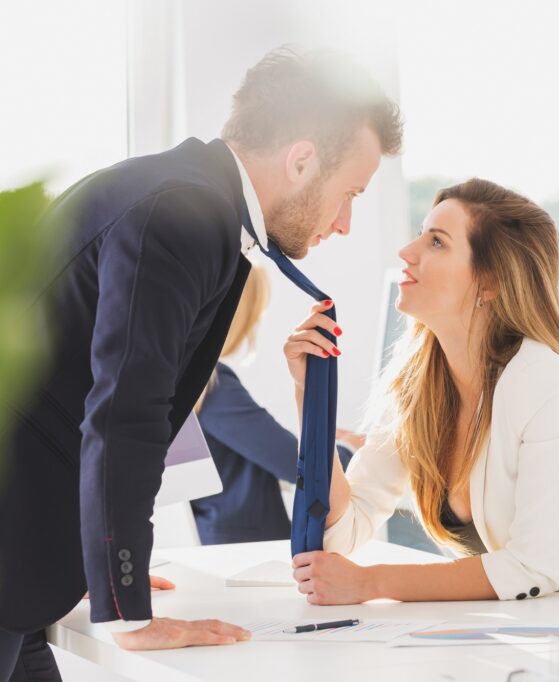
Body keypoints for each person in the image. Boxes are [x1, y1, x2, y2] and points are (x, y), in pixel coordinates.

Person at [0, 46, 401, 678]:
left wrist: (98, 567)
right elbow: (124, 413)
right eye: (349, 192)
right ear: (301, 161)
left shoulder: (177, 194)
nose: (346, 222)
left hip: (24, 567)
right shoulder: (182, 214)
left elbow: (66, 394)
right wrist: (126, 608)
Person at [285, 178, 559, 605]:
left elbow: (530, 569)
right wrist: (311, 396)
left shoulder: (546, 384)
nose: (407, 252)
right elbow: (343, 531)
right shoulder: (417, 386)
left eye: (436, 242)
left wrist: (371, 582)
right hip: (541, 621)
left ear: (489, 282)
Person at [190, 266, 361, 545]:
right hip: (246, 547)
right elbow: (292, 463)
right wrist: (352, 450)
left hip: (222, 536)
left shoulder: (194, 381)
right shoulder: (214, 386)